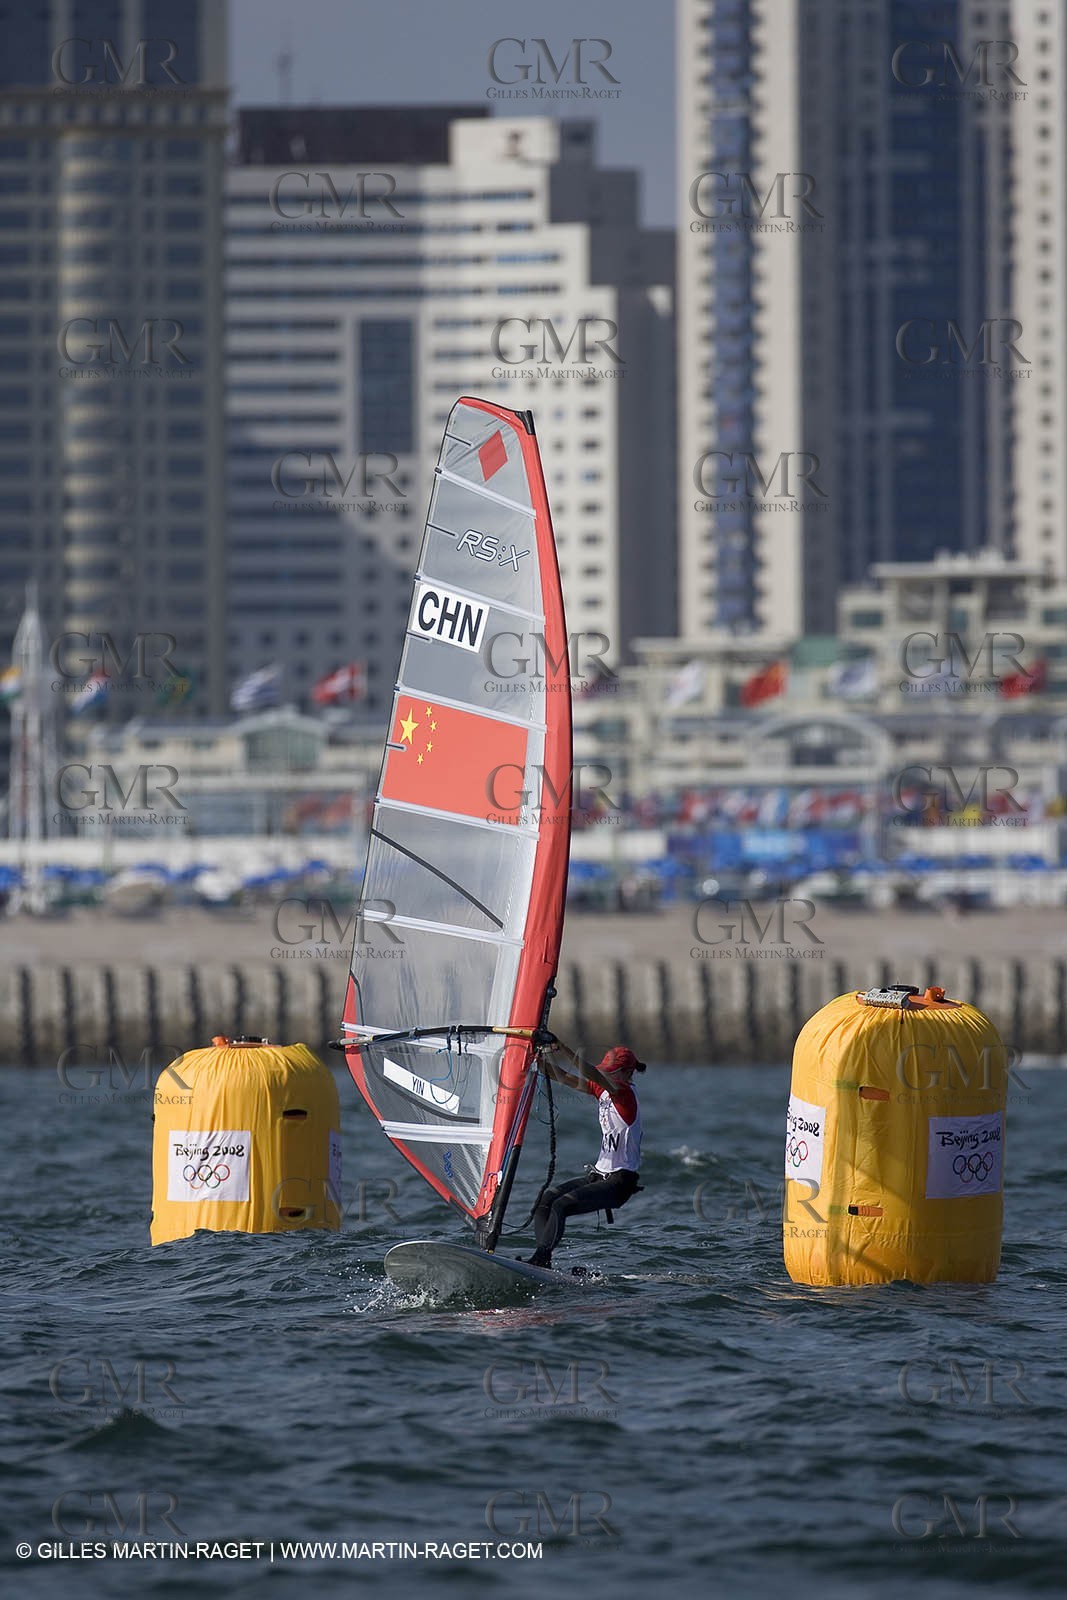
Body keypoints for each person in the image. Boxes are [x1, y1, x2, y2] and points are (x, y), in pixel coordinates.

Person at [524, 1034, 644, 1269]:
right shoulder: (605, 1092)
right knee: (546, 1201)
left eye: (612, 1072)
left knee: (562, 1205)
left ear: (627, 1074)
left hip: (620, 1183)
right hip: (599, 1176)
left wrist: (564, 1049)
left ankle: (541, 1259)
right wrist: (536, 1060)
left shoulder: (625, 1094)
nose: (606, 1076)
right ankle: (541, 1259)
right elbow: (564, 1077)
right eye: (606, 1071)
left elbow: (592, 1074)